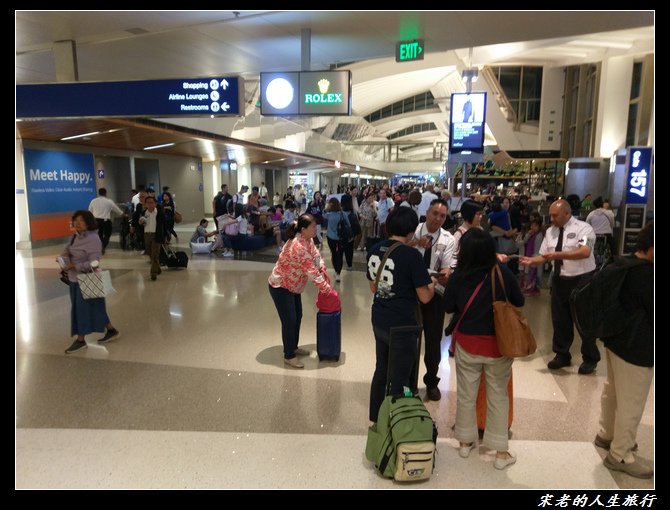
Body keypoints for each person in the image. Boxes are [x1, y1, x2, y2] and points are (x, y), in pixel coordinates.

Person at [443, 228, 523, 470]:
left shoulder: (459, 276)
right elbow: (519, 301)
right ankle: (500, 453)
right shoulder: (502, 272)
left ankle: (466, 443)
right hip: (498, 345)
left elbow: (448, 306)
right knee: (498, 395)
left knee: (467, 393)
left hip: (468, 343)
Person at [366, 207, 437, 424]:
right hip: (402, 325)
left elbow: (373, 287)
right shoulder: (411, 256)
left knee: (381, 369)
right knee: (401, 377)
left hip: (379, 318)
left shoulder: (374, 249)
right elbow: (424, 297)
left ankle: (376, 417)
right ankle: (396, 423)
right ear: (411, 230)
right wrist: (432, 284)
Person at [596, 221, 653, 479]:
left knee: (614, 390)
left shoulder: (623, 263)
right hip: (637, 347)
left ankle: (606, 434)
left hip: (616, 340)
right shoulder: (648, 275)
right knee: (632, 401)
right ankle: (620, 454)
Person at [520, 199, 599, 374]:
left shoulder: (584, 228)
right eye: (551, 214)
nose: (551, 218)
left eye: (555, 215)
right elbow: (543, 255)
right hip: (560, 280)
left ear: (567, 213)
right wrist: (532, 261)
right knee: (560, 319)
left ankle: (590, 358)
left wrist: (557, 254)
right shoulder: (550, 231)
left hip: (582, 280)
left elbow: (585, 251)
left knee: (583, 320)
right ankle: (562, 354)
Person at [268, 214, 335, 369]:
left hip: (293, 286)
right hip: (281, 286)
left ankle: (294, 347)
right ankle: (289, 355)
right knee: (289, 321)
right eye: (313, 226)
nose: (315, 229)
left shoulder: (308, 239)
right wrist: (327, 290)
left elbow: (316, 255)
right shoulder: (297, 246)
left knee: (298, 316)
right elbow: (311, 272)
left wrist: (322, 266)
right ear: (303, 229)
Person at [408, 198, 455, 401]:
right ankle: (409, 384)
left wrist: (445, 273)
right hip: (411, 293)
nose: (438, 219)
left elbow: (447, 266)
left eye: (442, 216)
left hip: (435, 294)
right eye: (435, 213)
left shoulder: (448, 238)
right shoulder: (414, 231)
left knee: (433, 340)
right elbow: (399, 249)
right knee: (410, 339)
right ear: (427, 212)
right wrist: (416, 243)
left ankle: (431, 381)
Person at [61, 210, 120, 354]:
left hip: (87, 278)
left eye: (80, 221)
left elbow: (94, 262)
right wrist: (64, 258)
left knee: (81, 310)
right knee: (95, 307)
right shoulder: (76, 236)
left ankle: (81, 340)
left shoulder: (93, 238)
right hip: (75, 279)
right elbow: (68, 250)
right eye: (75, 221)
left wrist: (76, 266)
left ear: (88, 222)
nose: (77, 224)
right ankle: (111, 330)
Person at [88, 188, 123, 254]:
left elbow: (90, 211)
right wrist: (123, 214)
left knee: (99, 235)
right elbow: (117, 210)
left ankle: (100, 247)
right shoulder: (109, 201)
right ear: (105, 193)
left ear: (98, 193)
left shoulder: (93, 201)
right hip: (106, 221)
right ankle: (103, 246)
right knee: (107, 234)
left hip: (96, 220)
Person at [140, 196, 167, 281]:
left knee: (155, 254)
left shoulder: (159, 213)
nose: (150, 204)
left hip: (157, 235)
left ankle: (153, 273)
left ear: (155, 204)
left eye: (152, 202)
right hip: (147, 235)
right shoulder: (144, 213)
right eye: (148, 203)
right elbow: (140, 223)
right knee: (150, 253)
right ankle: (157, 268)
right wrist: (140, 223)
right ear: (145, 204)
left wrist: (166, 236)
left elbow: (165, 225)